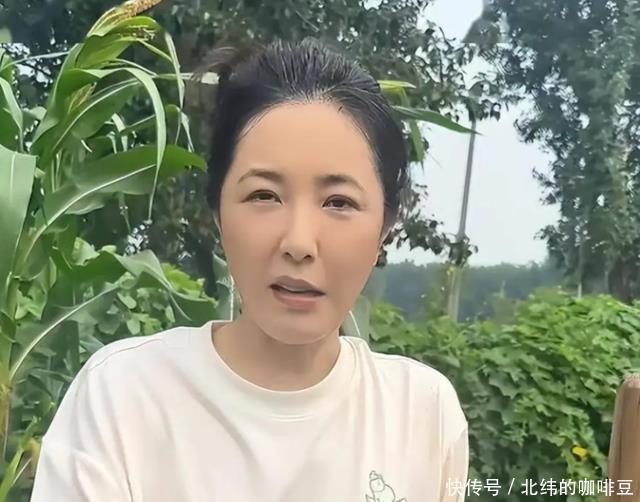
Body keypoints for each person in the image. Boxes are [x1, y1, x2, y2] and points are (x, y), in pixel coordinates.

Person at [31, 37, 469, 502]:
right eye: (264, 195)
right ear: (218, 211)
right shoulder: (122, 396)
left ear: (385, 225)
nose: (299, 243)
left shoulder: (423, 413)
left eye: (338, 202)